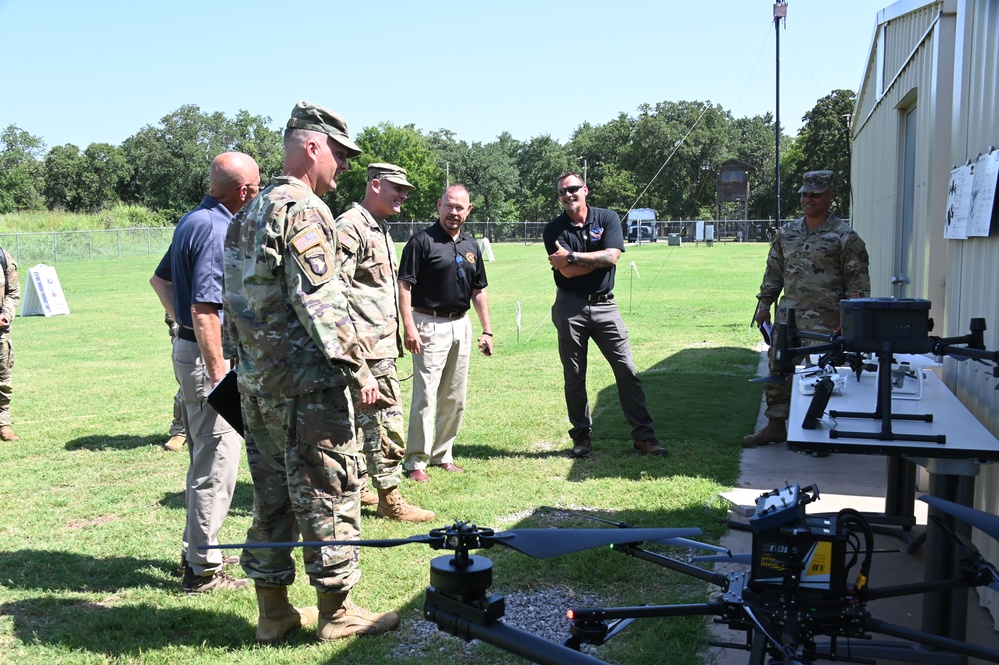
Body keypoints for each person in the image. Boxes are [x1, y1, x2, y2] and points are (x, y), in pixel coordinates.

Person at [223, 101, 399, 644]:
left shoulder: (248, 212)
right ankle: (337, 611)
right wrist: (360, 370)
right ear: (311, 146)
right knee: (331, 490)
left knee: (272, 497)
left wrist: (243, 371)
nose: (343, 167)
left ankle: (273, 612)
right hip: (307, 388)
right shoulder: (301, 209)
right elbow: (320, 301)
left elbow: (233, 305)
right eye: (340, 155)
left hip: (256, 387)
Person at [164, 151, 261, 593]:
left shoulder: (192, 219)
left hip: (192, 350)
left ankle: (195, 550)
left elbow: (161, 281)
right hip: (210, 358)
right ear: (243, 191)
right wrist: (220, 371)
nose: (258, 196)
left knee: (205, 454)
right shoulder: (216, 227)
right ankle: (203, 570)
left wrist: (181, 327)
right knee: (217, 463)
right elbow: (205, 309)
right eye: (256, 189)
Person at [335, 163, 434, 521]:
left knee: (366, 426)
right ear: (375, 185)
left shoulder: (378, 228)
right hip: (364, 351)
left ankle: (362, 485)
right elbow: (334, 295)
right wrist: (354, 354)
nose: (404, 195)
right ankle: (389, 499)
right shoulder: (350, 226)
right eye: (398, 188)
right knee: (384, 424)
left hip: (379, 347)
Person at [745, 170, 870, 449]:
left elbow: (857, 286)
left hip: (827, 322)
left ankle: (823, 433)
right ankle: (776, 425)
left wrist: (848, 321)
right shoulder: (787, 233)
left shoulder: (845, 237)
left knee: (825, 377)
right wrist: (764, 305)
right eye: (804, 194)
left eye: (815, 194)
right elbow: (773, 273)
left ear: (830, 196)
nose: (808, 199)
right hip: (788, 317)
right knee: (779, 370)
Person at [543, 172, 665, 459]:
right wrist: (596, 259)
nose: (568, 195)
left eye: (573, 188)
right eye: (562, 191)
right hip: (569, 306)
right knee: (574, 375)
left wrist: (573, 256)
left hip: (605, 306)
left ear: (585, 189)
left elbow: (611, 257)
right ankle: (581, 437)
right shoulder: (554, 230)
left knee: (627, 372)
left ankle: (644, 437)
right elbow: (569, 272)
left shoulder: (607, 218)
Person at [399, 184, 492, 482]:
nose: (454, 212)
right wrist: (409, 326)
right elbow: (404, 286)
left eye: (460, 207)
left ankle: (444, 455)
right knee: (425, 396)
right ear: (439, 205)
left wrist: (486, 330)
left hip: (460, 325)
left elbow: (478, 290)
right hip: (428, 323)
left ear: (469, 210)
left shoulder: (470, 244)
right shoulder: (421, 241)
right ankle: (416, 462)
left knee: (455, 396)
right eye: (449, 205)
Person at [0, 246, 20, 442]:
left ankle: (3, 425)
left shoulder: (3, 257)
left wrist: (5, 314)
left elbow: (13, 293)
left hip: (0, 332)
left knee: (3, 380)